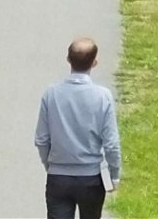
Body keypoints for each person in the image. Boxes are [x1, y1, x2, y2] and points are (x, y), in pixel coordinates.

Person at [35, 38, 121, 219]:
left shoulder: (51, 94)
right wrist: (114, 174)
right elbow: (111, 143)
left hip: (58, 177)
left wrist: (49, 164)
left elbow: (41, 139)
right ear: (94, 63)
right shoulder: (102, 96)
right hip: (91, 178)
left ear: (68, 59)